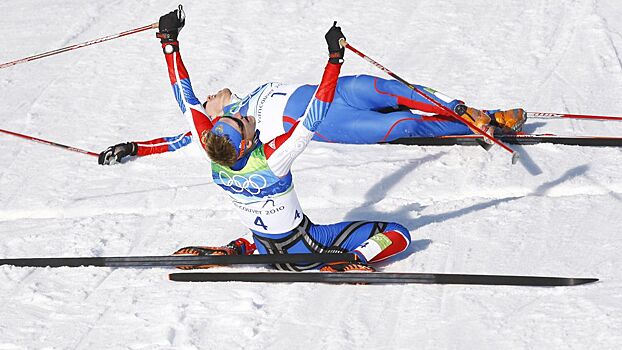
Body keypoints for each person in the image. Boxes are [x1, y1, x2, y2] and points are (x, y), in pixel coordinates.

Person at [156, 7, 411, 272]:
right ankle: (351, 260)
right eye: (241, 121)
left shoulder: (214, 155)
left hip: (265, 251)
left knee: (264, 233)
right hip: (308, 252)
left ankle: (237, 248)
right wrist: (335, 60)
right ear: (243, 144)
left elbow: (185, 98)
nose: (243, 115)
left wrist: (169, 42)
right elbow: (315, 112)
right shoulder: (272, 158)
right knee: (397, 232)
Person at [98, 35, 526, 165]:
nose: (212, 93)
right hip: (327, 123)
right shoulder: (217, 131)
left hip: (332, 91)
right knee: (404, 126)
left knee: (394, 90)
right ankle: (478, 126)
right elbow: (179, 112)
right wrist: (133, 148)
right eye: (209, 98)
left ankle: (480, 113)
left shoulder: (251, 94)